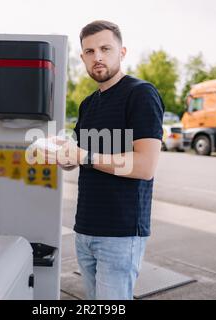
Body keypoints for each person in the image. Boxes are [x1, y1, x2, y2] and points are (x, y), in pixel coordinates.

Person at [48, 20, 164, 300]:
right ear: (82, 58)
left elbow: (145, 166)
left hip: (121, 233)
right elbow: (80, 159)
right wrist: (63, 155)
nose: (97, 57)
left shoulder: (140, 94)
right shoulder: (88, 103)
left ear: (122, 52)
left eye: (105, 48)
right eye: (89, 51)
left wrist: (83, 155)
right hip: (85, 229)